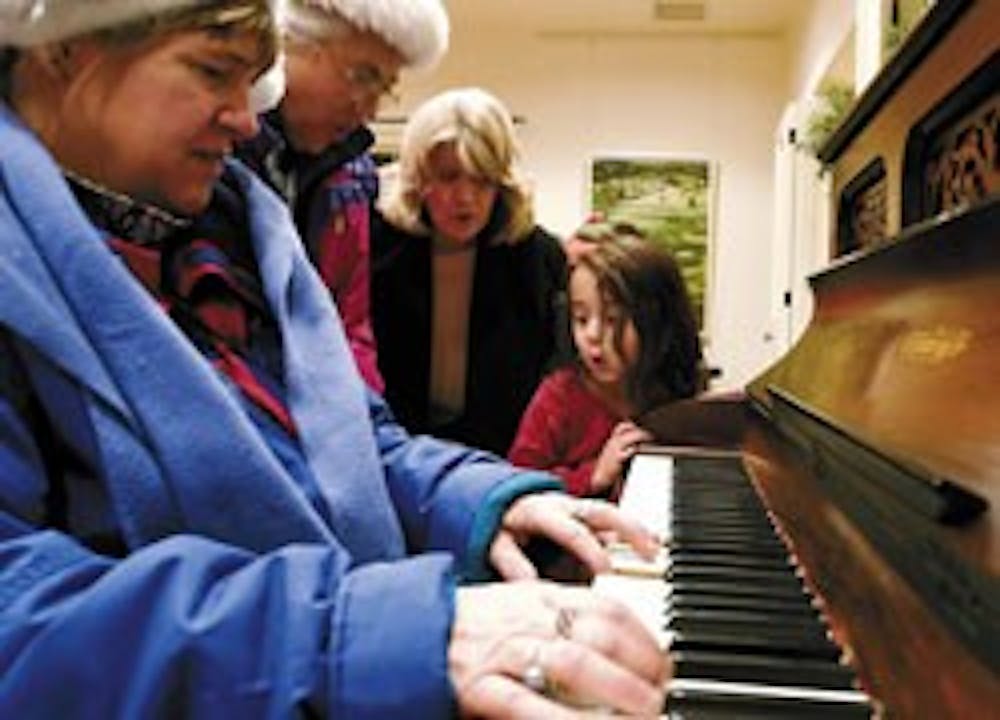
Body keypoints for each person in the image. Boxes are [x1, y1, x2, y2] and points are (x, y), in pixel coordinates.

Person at [0, 2, 669, 717]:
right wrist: (357, 641)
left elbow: (352, 440)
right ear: (61, 48)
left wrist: (481, 501)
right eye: (214, 71)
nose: (248, 119)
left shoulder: (234, 235)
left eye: (252, 81)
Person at [238, 0, 449, 392]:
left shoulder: (352, 180)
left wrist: (363, 429)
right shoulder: (217, 149)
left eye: (383, 88)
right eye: (363, 76)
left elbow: (350, 328)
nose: (369, 109)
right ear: (289, 45)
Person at [372, 86, 569, 456]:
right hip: (392, 457)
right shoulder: (376, 247)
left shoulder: (538, 258)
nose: (465, 198)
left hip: (499, 459)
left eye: (481, 179)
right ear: (419, 178)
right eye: (448, 177)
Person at [509, 223, 704, 497]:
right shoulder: (559, 398)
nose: (592, 335)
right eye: (581, 319)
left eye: (613, 320)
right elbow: (515, 487)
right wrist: (593, 475)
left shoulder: (679, 396)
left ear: (658, 323)